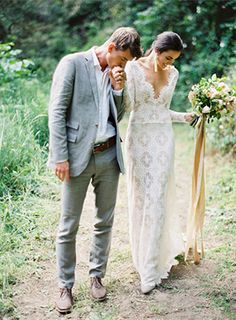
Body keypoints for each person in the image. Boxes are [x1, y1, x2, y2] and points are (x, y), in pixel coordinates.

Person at [48, 27, 142, 313]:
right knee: (69, 225)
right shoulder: (73, 63)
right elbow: (57, 112)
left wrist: (118, 89)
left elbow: (120, 115)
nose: (124, 65)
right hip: (77, 156)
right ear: (111, 46)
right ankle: (65, 284)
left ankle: (97, 276)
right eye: (123, 59)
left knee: (105, 221)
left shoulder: (117, 74)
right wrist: (60, 156)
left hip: (109, 156)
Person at [124, 31, 194, 294]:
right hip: (139, 140)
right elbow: (127, 106)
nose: (170, 64)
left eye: (174, 60)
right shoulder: (132, 68)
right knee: (142, 198)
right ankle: (143, 258)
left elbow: (163, 111)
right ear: (156, 49)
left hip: (163, 140)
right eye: (167, 58)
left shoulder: (173, 75)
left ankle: (152, 268)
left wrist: (184, 116)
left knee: (158, 198)